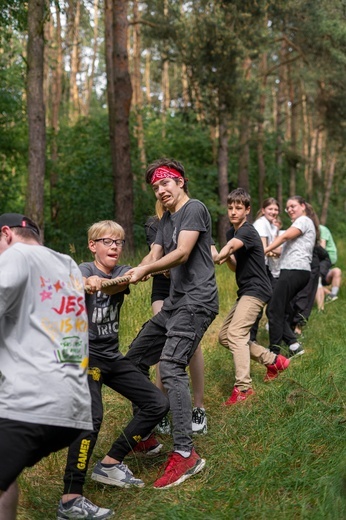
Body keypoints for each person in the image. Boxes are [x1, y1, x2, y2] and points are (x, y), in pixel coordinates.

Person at [58, 220, 169, 519]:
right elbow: (76, 282)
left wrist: (142, 271)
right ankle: (70, 498)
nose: (115, 247)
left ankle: (110, 462)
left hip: (112, 357)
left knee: (157, 403)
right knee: (91, 419)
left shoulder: (121, 272)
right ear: (93, 246)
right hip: (86, 357)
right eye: (107, 241)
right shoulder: (82, 269)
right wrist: (87, 284)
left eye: (118, 242)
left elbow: (130, 277)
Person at [123, 158, 218, 489]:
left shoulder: (194, 209)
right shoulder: (165, 219)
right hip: (175, 304)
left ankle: (185, 452)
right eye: (155, 186)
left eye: (165, 183)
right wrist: (127, 274)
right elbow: (155, 255)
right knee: (132, 361)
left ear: (180, 181)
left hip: (197, 302)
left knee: (172, 365)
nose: (160, 189)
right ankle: (147, 432)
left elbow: (181, 253)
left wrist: (145, 271)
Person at [0, 213, 93, 520]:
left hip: (30, 402)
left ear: (6, 234)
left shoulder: (16, 255)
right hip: (73, 407)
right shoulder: (66, 264)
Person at [215, 189, 290, 405]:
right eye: (230, 208)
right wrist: (226, 257)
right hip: (246, 289)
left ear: (247, 210)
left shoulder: (247, 230)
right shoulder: (232, 233)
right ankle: (274, 361)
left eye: (238, 208)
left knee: (237, 334)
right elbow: (234, 263)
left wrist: (220, 254)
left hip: (257, 288)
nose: (233, 212)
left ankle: (243, 389)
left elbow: (230, 247)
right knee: (225, 336)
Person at [145, 200, 207, 435]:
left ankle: (199, 408)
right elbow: (155, 259)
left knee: (193, 344)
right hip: (163, 291)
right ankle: (161, 407)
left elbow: (199, 252)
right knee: (164, 342)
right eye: (158, 194)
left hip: (189, 290)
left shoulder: (192, 217)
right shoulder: (154, 225)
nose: (162, 197)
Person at [264, 196, 318, 357]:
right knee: (282, 309)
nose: (290, 210)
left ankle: (273, 352)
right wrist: (271, 251)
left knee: (273, 309)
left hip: (294, 270)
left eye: (293, 206)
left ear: (303, 206)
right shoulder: (302, 223)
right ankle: (294, 346)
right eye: (287, 208)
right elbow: (283, 250)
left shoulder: (303, 221)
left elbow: (284, 237)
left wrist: (264, 250)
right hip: (298, 271)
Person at [250, 197, 281, 342]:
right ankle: (251, 338)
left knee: (271, 301)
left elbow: (272, 247)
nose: (273, 212)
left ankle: (254, 338)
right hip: (258, 269)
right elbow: (263, 249)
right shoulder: (261, 224)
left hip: (266, 268)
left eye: (276, 209)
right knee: (261, 303)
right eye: (270, 209)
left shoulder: (270, 225)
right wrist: (275, 252)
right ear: (263, 210)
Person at [315, 224, 342, 307]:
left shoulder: (321, 229)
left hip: (325, 265)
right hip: (319, 264)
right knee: (315, 279)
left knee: (337, 271)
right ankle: (328, 296)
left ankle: (332, 296)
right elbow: (321, 249)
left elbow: (322, 247)